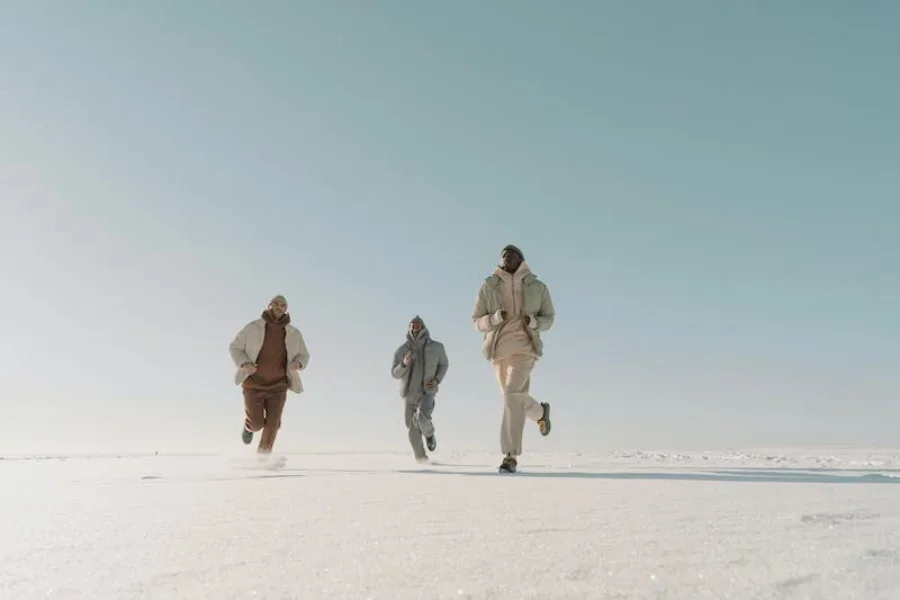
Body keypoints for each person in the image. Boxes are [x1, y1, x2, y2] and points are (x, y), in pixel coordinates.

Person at [471, 244, 555, 473]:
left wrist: (534, 322)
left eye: (512, 254)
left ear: (521, 260)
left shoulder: (538, 287)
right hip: (498, 352)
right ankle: (540, 413)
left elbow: (549, 318)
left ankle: (510, 456)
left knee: (510, 397)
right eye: (504, 255)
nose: (507, 257)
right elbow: (477, 321)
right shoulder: (489, 285)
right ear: (500, 260)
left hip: (525, 350)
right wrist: (495, 318)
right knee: (514, 400)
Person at [229, 295, 310, 455]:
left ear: (286, 309)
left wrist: (298, 363)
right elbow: (235, 347)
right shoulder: (253, 328)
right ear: (269, 306)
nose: (279, 307)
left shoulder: (294, 334)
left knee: (273, 424)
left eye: (283, 305)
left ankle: (263, 461)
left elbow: (304, 355)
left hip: (278, 386)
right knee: (257, 424)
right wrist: (245, 364)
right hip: (253, 384)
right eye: (276, 304)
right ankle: (248, 427)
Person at [391, 315, 449, 463]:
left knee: (422, 417)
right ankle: (422, 460)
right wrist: (404, 363)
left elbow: (444, 364)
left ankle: (429, 435)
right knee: (411, 429)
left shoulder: (436, 347)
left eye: (417, 325)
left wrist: (436, 380)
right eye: (412, 326)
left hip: (426, 393)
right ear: (409, 328)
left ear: (423, 327)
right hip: (409, 394)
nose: (415, 328)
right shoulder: (401, 350)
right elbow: (394, 373)